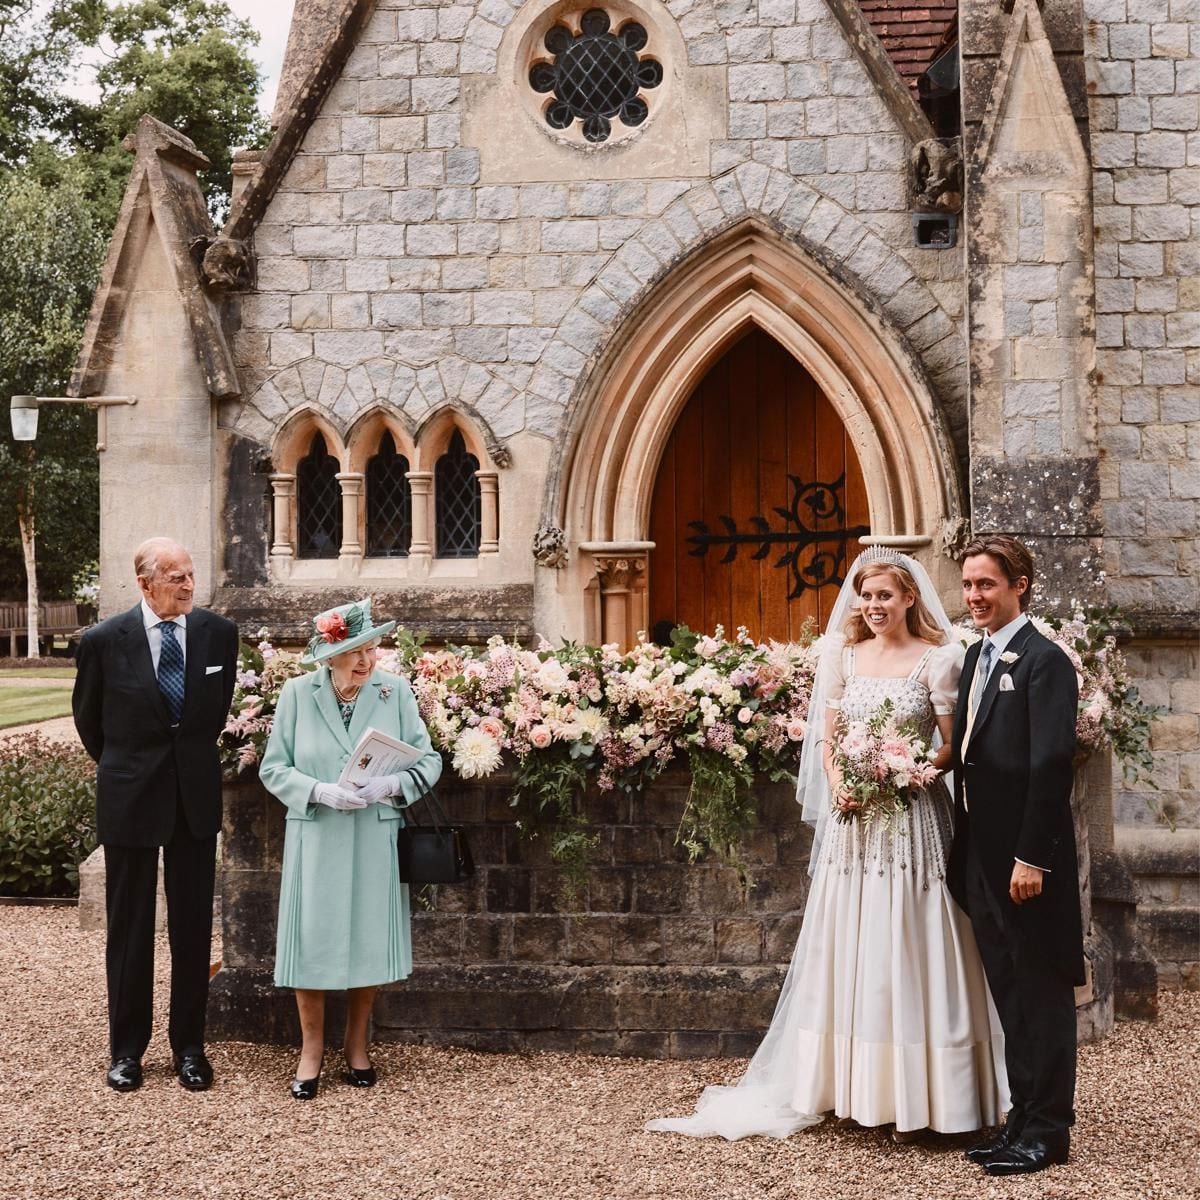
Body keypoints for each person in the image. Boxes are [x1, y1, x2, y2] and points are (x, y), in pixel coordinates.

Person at [647, 549, 1006, 1141]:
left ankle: (932, 1093)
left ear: (910, 598)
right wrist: (843, 784)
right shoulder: (842, 655)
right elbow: (828, 740)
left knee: (915, 939)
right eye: (867, 596)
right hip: (853, 823)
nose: (874, 606)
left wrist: (909, 771)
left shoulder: (940, 660)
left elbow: (950, 745)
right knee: (853, 937)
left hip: (912, 818)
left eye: (885, 595)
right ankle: (849, 1085)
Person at [72, 537, 239, 1093]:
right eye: (176, 577)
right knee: (130, 928)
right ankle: (126, 1052)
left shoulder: (220, 634)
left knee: (193, 929)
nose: (190, 585)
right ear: (145, 584)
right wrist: (132, 770)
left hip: (194, 800)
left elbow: (212, 717)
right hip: (130, 797)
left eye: (191, 575)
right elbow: (90, 724)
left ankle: (190, 1047)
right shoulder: (102, 641)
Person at [258, 599, 442, 1100]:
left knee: (366, 937)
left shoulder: (394, 692)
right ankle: (311, 1049)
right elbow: (273, 768)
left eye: (371, 648)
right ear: (329, 655)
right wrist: (318, 791)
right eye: (354, 651)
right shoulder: (297, 694)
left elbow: (428, 763)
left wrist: (391, 787)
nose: (366, 660)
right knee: (310, 939)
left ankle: (357, 1044)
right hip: (316, 830)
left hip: (373, 830)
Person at [948, 536, 1082, 1176]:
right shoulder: (977, 657)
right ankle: (1020, 1119)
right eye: (969, 585)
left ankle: (1049, 1131)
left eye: (986, 585)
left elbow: (1052, 766)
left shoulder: (1045, 661)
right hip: (981, 854)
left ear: (1019, 585)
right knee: (1009, 993)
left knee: (1042, 992)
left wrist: (1032, 857)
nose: (974, 596)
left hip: (1027, 865)